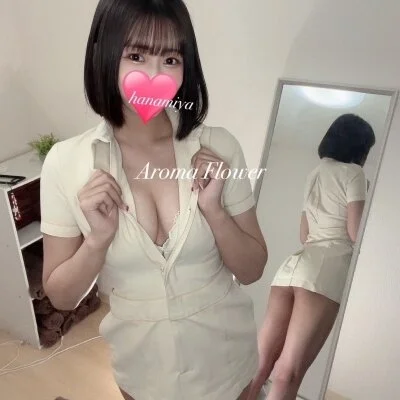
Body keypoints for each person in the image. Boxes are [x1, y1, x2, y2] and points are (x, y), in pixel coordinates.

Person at [39, 1, 268, 400]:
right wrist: (96, 241)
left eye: (170, 59)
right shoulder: (66, 162)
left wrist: (214, 212)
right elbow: (61, 296)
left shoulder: (219, 147)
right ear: (104, 54)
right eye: (136, 56)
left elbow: (252, 270)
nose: (154, 75)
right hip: (142, 375)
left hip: (230, 365)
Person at [247, 114, 375, 400]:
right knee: (289, 371)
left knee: (260, 363)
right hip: (325, 271)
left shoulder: (314, 173)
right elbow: (355, 233)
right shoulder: (354, 173)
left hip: (292, 268)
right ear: (359, 146)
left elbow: (304, 235)